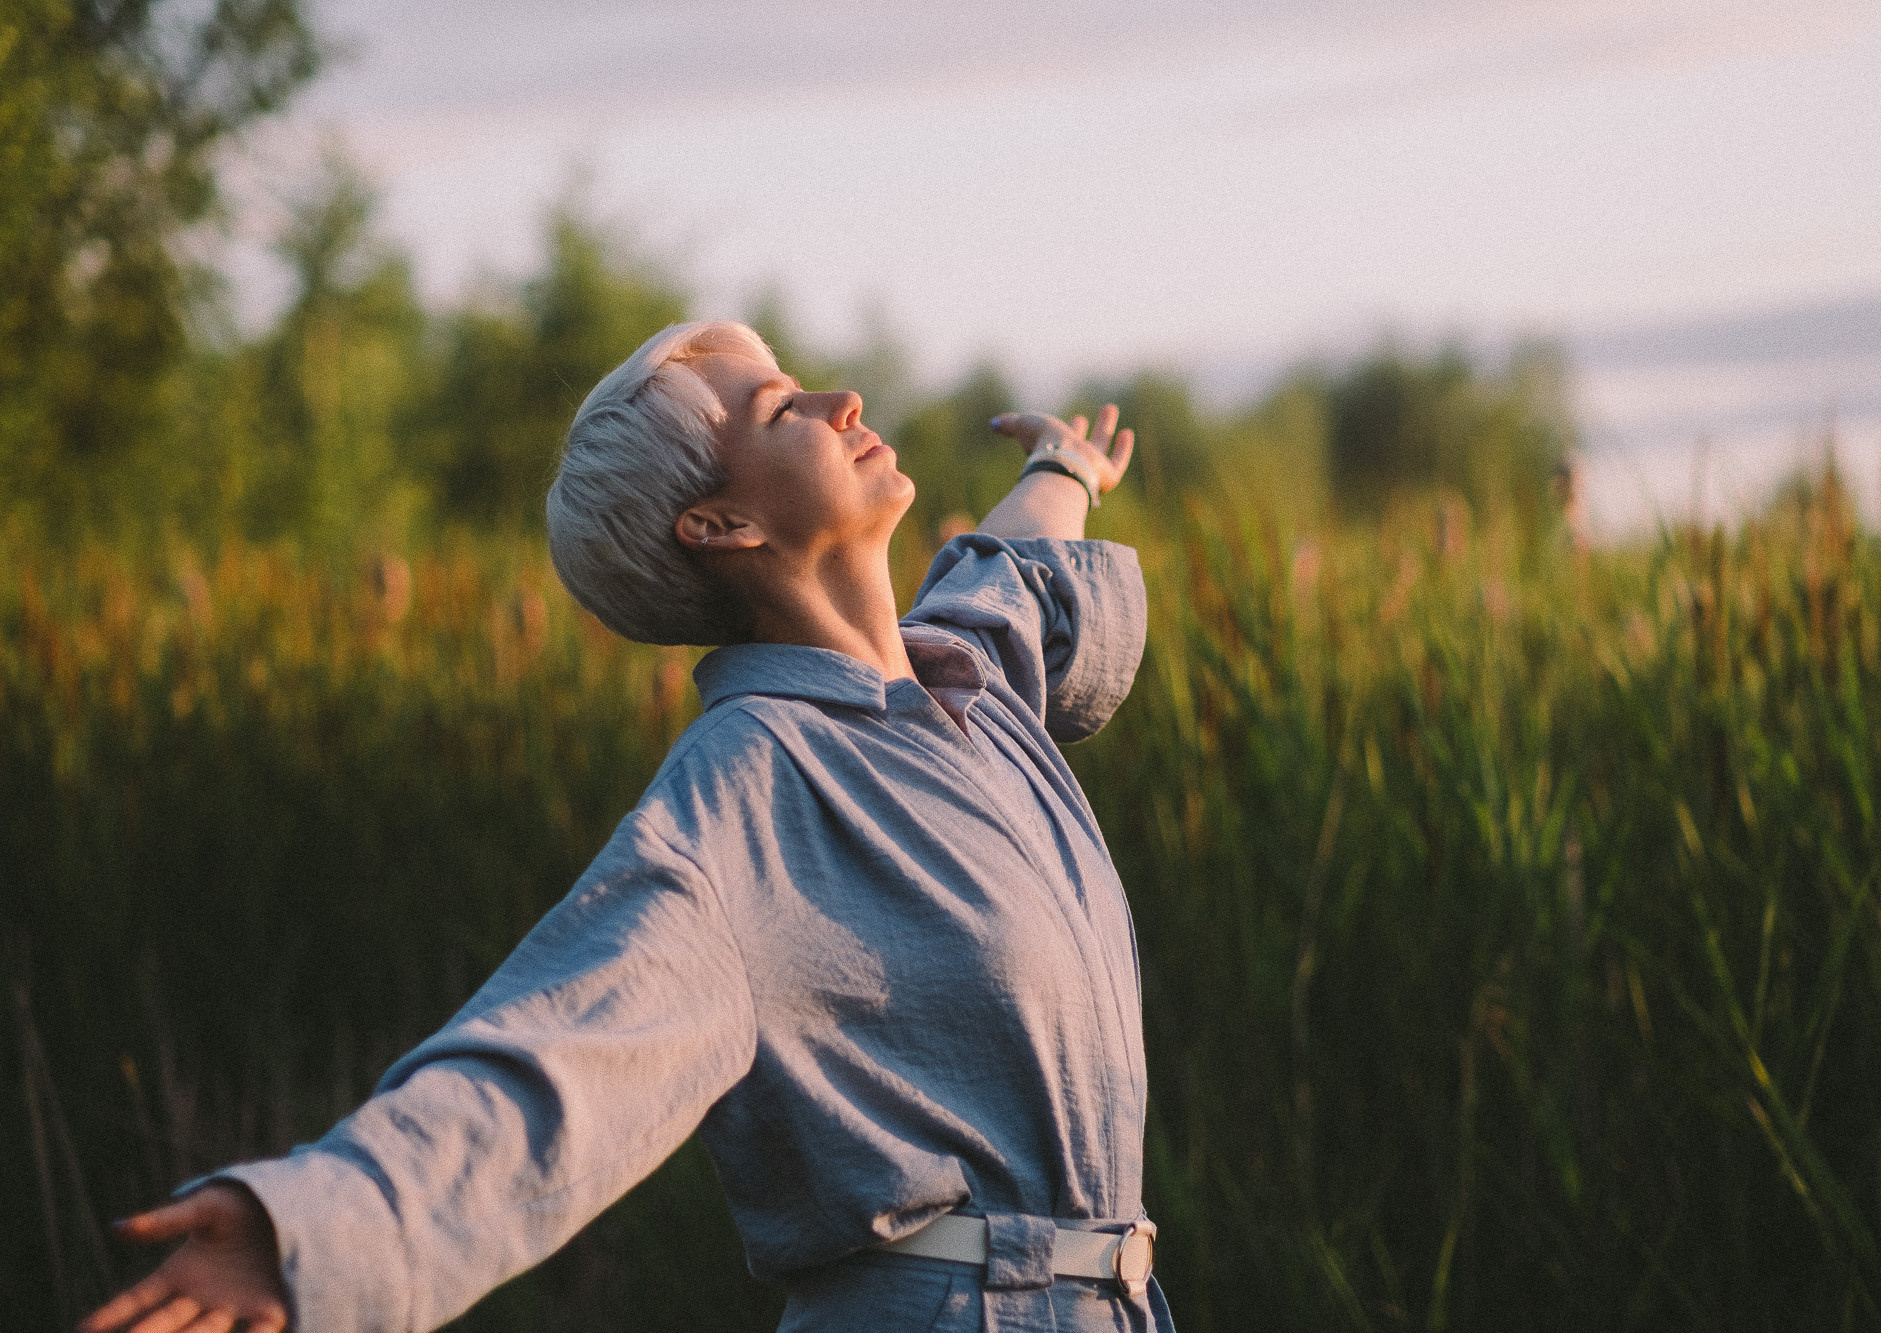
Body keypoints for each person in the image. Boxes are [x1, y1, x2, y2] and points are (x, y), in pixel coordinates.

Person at [82, 320, 1166, 1333]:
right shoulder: (751, 790)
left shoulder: (967, 685)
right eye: (780, 407)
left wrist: (1059, 470)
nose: (842, 401)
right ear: (719, 524)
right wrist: (314, 1230)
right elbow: (562, 1051)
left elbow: (1010, 571)